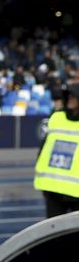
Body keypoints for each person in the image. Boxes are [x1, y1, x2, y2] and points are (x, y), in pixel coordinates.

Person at [34, 82, 79, 217]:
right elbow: (45, 147)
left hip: (76, 192)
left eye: (73, 96)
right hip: (53, 189)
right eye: (68, 95)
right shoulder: (57, 117)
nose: (69, 98)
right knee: (54, 229)